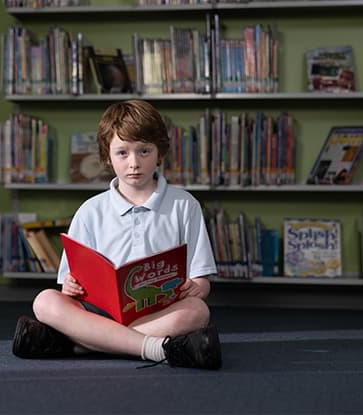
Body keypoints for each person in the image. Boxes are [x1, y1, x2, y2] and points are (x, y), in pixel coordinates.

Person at [12, 99, 222, 369]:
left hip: (156, 314)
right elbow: (68, 283)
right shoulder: (90, 210)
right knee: (45, 301)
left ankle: (82, 344)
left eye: (144, 151)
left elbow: (202, 282)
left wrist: (195, 287)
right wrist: (71, 286)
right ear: (107, 157)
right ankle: (156, 348)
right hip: (99, 313)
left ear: (160, 153)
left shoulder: (184, 205)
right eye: (122, 153)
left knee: (197, 312)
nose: (134, 163)